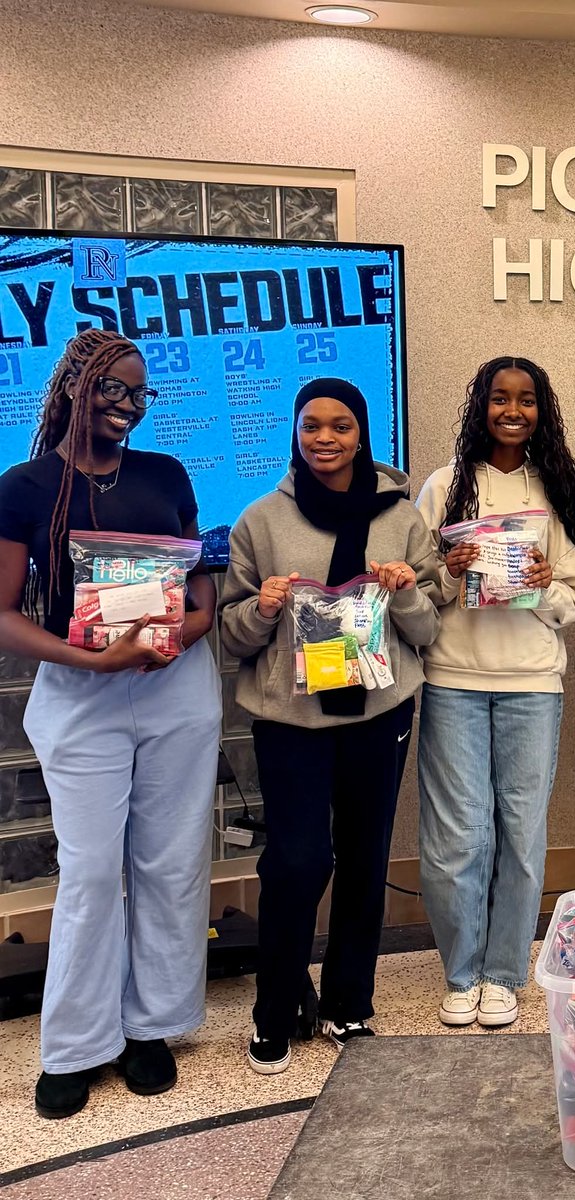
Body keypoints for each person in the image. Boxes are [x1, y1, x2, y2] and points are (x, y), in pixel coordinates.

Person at [0, 329, 221, 1119]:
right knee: (93, 872)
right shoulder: (24, 485)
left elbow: (201, 596)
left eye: (138, 393)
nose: (127, 406)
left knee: (168, 864)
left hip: (173, 687)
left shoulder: (166, 473)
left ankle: (150, 1028)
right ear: (71, 387)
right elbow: (2, 617)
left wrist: (180, 637)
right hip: (80, 688)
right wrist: (88, 659)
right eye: (112, 390)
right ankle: (74, 1045)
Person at [219, 377, 439, 1074]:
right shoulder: (260, 520)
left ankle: (349, 1003)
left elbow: (431, 625)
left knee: (367, 859)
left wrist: (404, 594)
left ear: (361, 433)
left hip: (378, 713)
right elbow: (230, 638)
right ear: (294, 430)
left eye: (340, 426)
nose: (324, 439)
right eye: (311, 425)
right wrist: (261, 608)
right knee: (296, 861)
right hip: (292, 721)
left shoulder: (402, 517)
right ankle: (276, 1009)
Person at [415, 356, 575, 1028]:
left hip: (532, 686)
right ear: (480, 407)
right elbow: (415, 593)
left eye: (526, 400)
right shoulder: (442, 489)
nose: (512, 411)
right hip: (454, 678)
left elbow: (574, 599)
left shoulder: (556, 492)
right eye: (498, 398)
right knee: (458, 836)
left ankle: (503, 974)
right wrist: (448, 567)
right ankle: (460, 973)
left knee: (520, 832)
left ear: (541, 411)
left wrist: (543, 583)